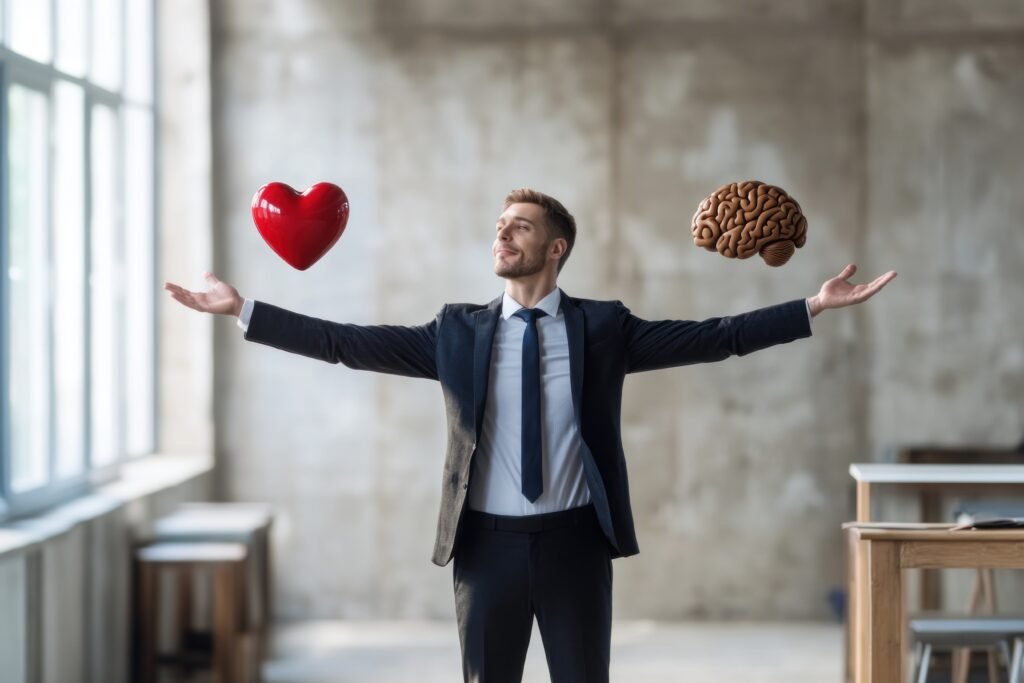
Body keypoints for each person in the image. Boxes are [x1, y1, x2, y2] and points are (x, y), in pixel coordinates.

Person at [164, 188, 896, 683]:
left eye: (519, 225)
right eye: (497, 225)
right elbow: (346, 342)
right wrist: (244, 311)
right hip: (484, 549)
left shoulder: (603, 327)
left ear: (557, 248)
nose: (501, 234)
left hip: (577, 540)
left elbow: (718, 336)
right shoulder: (456, 331)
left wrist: (811, 306)